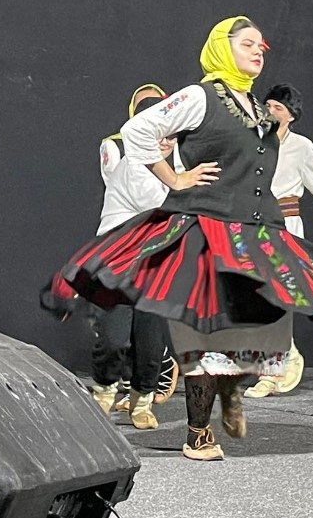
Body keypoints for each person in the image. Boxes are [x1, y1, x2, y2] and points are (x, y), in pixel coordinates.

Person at [45, 16, 313, 460]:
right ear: (222, 47)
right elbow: (139, 131)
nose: (258, 50)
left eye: (261, 46)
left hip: (257, 229)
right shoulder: (199, 96)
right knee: (206, 333)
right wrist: (173, 177)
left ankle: (229, 393)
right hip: (206, 226)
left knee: (254, 326)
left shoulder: (254, 105)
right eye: (247, 43)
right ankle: (197, 433)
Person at [244, 83, 313, 398]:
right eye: (266, 106)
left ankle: (272, 370)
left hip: (285, 225)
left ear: (291, 115)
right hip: (253, 226)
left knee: (277, 296)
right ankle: (286, 354)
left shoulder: (301, 146)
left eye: (277, 108)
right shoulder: (251, 142)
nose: (269, 112)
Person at [89, 84, 181, 430]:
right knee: (113, 337)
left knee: (150, 340)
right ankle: (104, 393)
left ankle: (142, 400)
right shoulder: (125, 157)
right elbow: (156, 204)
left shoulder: (177, 162)